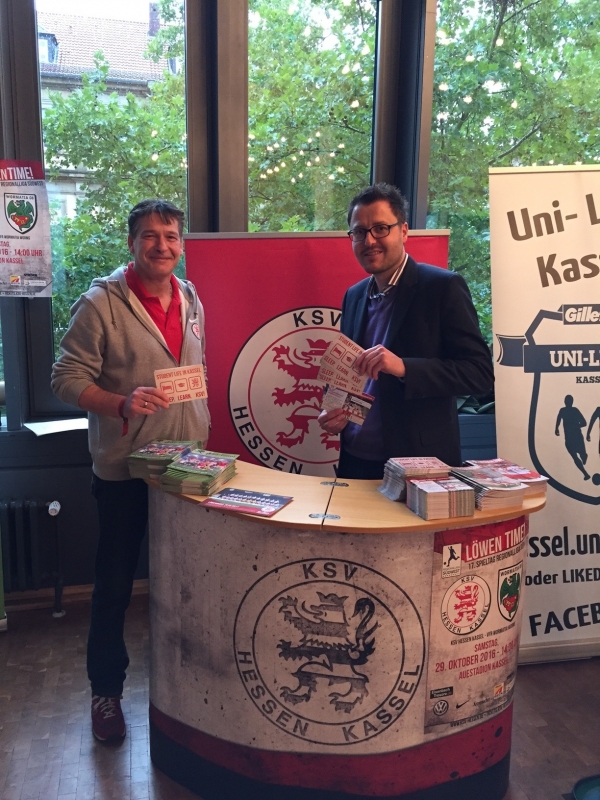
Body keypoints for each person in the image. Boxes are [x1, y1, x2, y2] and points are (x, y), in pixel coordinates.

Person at [51, 199, 210, 741]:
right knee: (115, 586)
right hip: (125, 470)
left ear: (181, 244)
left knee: (187, 583)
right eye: (149, 235)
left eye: (170, 236)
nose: (161, 245)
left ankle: (189, 689)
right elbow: (65, 378)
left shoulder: (190, 296)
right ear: (131, 243)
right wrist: (120, 402)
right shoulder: (100, 303)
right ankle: (106, 693)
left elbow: (195, 367)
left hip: (186, 467)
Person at [318, 183, 494, 479]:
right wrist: (333, 411)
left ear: (404, 231)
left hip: (418, 466)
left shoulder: (441, 287)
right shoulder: (354, 295)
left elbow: (479, 373)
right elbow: (350, 372)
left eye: (380, 228)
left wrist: (403, 367)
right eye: (359, 232)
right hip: (355, 459)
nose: (369, 240)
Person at [555, 394, 589, 480]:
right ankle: (585, 473)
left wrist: (576, 426)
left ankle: (584, 456)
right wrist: (556, 428)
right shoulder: (563, 410)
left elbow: (584, 423)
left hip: (577, 437)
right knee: (575, 457)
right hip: (569, 438)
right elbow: (558, 419)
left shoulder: (575, 410)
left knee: (581, 454)